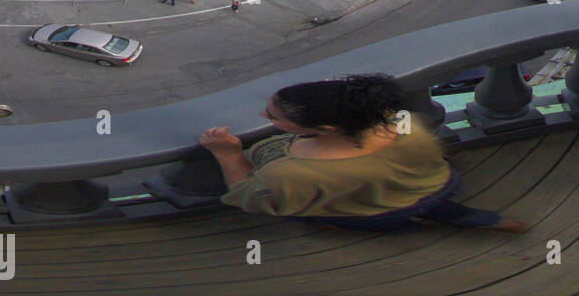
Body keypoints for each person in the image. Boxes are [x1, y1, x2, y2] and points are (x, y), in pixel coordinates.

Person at [199, 74, 529, 232]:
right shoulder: (404, 125)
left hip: (363, 210)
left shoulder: (287, 174)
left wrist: (228, 155)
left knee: (344, 217)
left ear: (327, 127)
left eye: (274, 117)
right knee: (441, 210)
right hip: (428, 188)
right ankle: (494, 222)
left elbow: (250, 197)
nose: (264, 118)